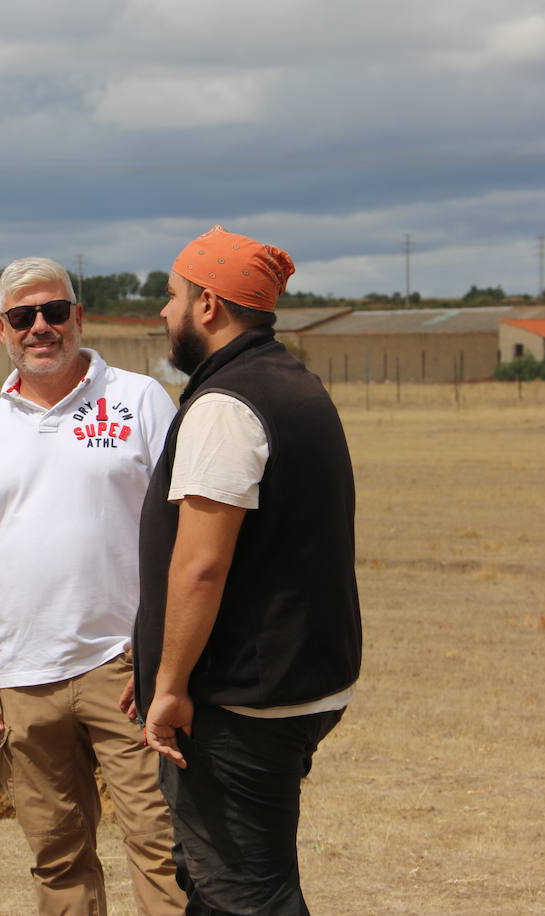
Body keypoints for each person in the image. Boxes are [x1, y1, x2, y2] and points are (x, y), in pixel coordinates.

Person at [134, 226, 362, 914]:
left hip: (241, 698)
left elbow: (202, 566)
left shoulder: (228, 406)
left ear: (208, 306)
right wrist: (149, 650)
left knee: (246, 894)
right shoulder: (291, 383)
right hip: (298, 679)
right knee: (218, 884)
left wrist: (168, 684)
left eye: (173, 297)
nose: (164, 313)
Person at [0, 257, 186, 915]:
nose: (41, 327)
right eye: (23, 317)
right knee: (58, 864)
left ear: (79, 316)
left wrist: (167, 656)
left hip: (128, 670)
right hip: (26, 681)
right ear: (1, 327)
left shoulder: (140, 401)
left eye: (55, 311)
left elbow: (186, 530)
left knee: (164, 851)